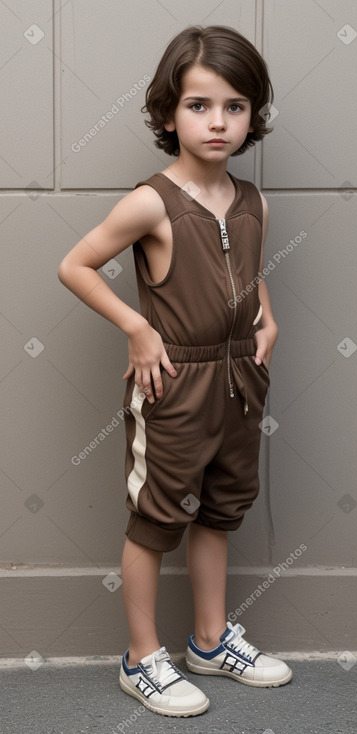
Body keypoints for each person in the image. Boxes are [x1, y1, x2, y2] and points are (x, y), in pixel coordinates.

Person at [58, 25, 292, 718]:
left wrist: (268, 319)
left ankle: (211, 641)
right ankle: (140, 657)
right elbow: (75, 265)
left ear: (252, 116)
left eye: (234, 105)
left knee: (221, 509)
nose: (217, 121)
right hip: (174, 386)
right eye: (197, 105)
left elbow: (249, 276)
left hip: (239, 383)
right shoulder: (152, 201)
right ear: (167, 113)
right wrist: (136, 328)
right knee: (156, 517)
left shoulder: (253, 202)